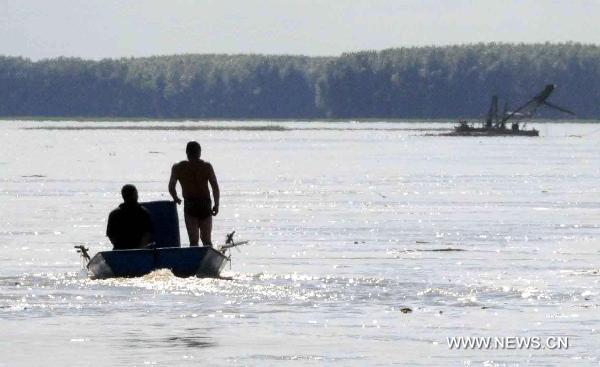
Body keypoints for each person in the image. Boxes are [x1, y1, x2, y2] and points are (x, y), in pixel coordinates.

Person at [168, 141, 220, 247]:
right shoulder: (206, 166)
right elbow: (215, 187)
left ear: (187, 152)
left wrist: (176, 198)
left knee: (193, 241)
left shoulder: (178, 167)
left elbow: (171, 186)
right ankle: (208, 261)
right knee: (206, 240)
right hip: (205, 204)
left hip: (190, 204)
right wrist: (216, 204)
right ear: (199, 152)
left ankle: (194, 261)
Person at [106, 184, 154, 250]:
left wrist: (119, 246)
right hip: (140, 252)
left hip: (119, 251)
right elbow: (148, 234)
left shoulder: (114, 214)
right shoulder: (143, 212)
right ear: (135, 195)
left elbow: (111, 235)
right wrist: (140, 249)